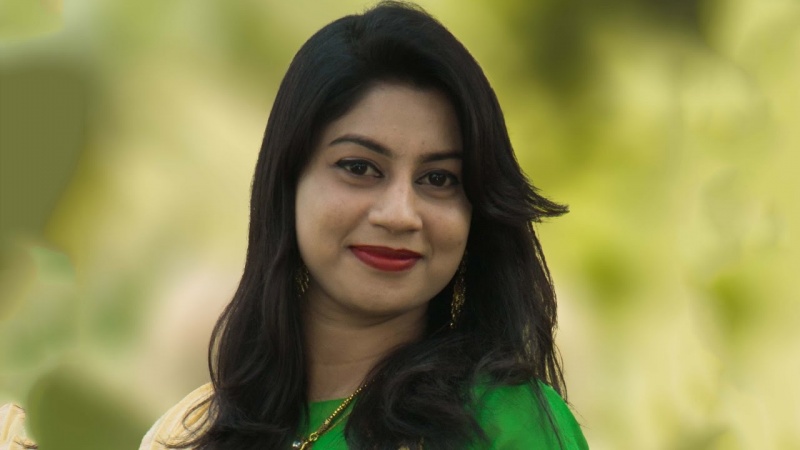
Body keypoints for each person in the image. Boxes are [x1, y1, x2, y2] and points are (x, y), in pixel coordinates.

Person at [140, 1, 588, 449]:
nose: (399, 214)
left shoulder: (506, 423)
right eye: (359, 168)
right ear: (289, 181)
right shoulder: (189, 434)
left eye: (438, 179)